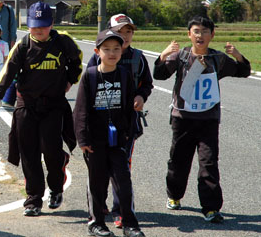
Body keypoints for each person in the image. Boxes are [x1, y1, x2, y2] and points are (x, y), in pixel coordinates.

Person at [0, 1, 83, 216]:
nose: (38, 30)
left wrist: (70, 80)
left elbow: (77, 62)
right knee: (28, 154)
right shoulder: (22, 46)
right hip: (26, 105)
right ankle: (34, 198)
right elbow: (6, 74)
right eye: (34, 25)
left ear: (51, 24)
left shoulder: (63, 42)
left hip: (54, 106)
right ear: (28, 24)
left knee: (51, 151)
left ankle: (56, 189)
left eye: (43, 25)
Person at [153, 15, 251, 223]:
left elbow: (243, 72)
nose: (200, 35)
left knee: (209, 163)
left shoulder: (218, 59)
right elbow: (159, 75)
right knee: (179, 161)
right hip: (183, 118)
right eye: (196, 31)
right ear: (189, 34)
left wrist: (238, 55)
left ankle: (210, 208)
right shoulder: (180, 56)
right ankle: (174, 195)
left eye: (205, 31)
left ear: (212, 35)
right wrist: (163, 55)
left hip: (208, 119)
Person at [74, 29, 145, 237]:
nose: (112, 53)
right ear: (97, 51)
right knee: (97, 181)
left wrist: (128, 134)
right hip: (94, 140)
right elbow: (80, 110)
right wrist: (83, 138)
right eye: (106, 49)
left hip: (118, 140)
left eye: (116, 48)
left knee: (123, 180)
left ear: (122, 51)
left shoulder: (124, 75)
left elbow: (128, 108)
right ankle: (96, 223)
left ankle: (130, 224)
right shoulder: (90, 75)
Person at [86, 14, 153, 229]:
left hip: (125, 124)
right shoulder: (98, 58)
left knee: (122, 169)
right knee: (98, 170)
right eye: (119, 31)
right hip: (98, 126)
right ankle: (98, 208)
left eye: (128, 32)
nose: (124, 36)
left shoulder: (138, 58)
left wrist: (141, 96)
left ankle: (120, 210)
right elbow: (85, 92)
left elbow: (146, 84)